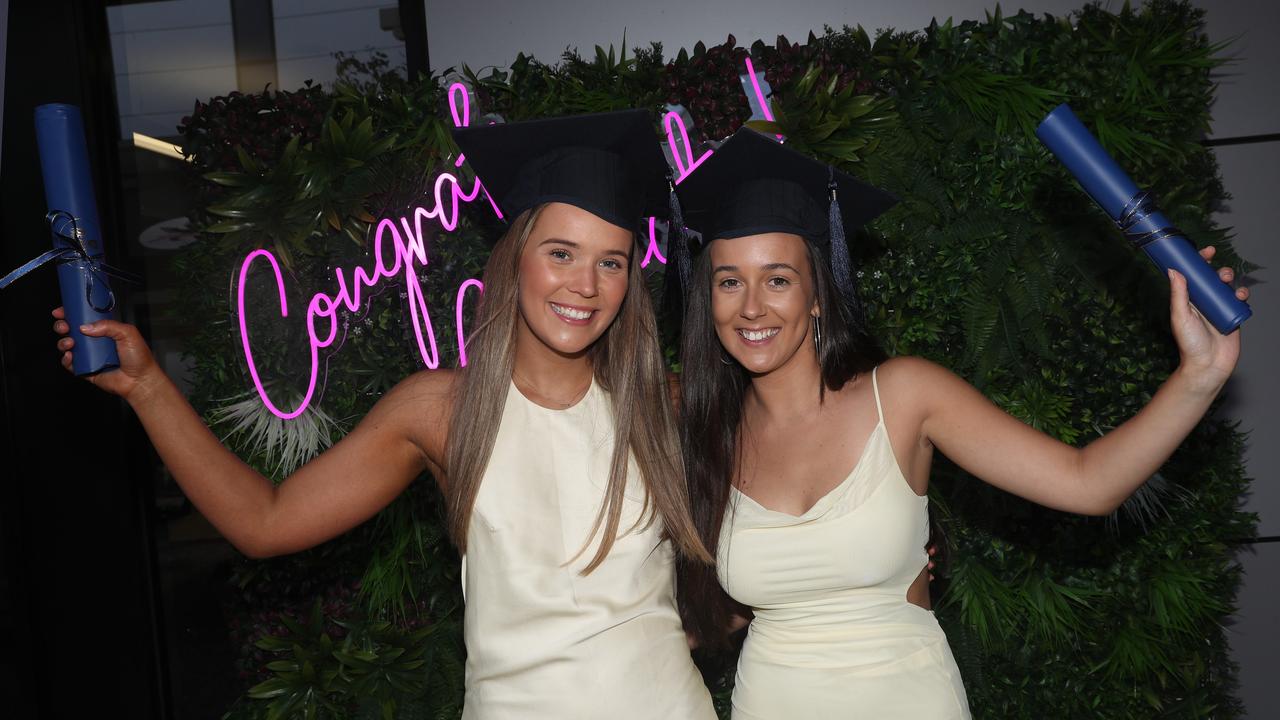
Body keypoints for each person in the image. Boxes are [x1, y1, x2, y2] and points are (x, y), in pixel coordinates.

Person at [52, 110, 717, 720]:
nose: (585, 285)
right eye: (561, 253)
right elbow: (265, 521)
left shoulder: (665, 403)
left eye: (612, 262)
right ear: (516, 258)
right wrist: (147, 388)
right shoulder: (441, 410)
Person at [671, 128, 1248, 719]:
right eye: (729, 281)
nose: (751, 306)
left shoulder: (903, 394)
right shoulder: (704, 433)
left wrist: (1199, 375)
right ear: (709, 300)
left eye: (778, 279)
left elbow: (1087, 482)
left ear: (817, 293)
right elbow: (726, 606)